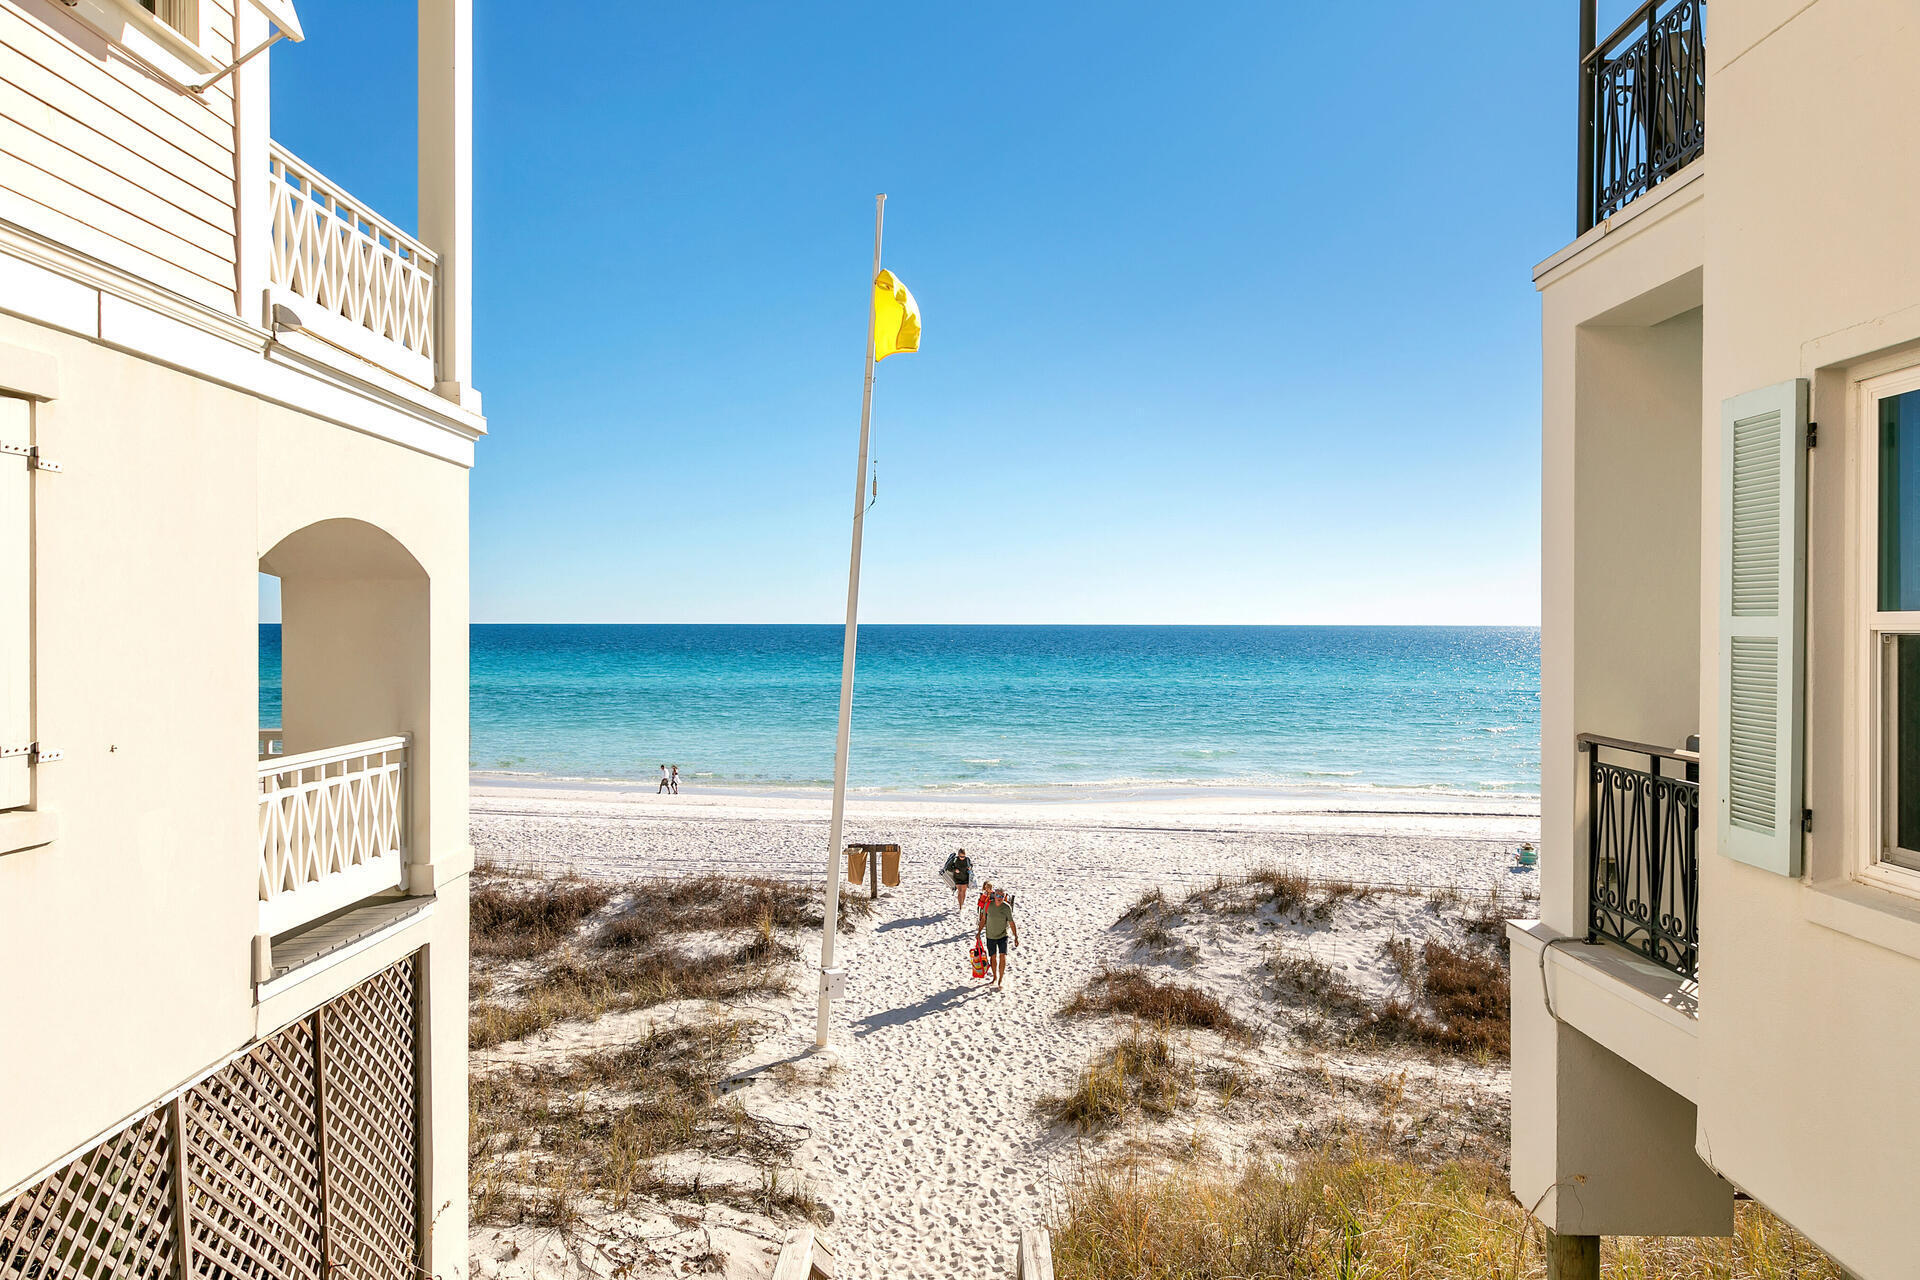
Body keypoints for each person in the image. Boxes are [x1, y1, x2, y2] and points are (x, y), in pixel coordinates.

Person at [975, 886, 1020, 990]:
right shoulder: (988, 905)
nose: (999, 897)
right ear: (994, 896)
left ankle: (1000, 979)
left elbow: (1011, 923)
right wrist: (978, 932)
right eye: (997, 895)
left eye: (1001, 896)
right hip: (990, 935)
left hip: (1003, 935)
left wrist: (1016, 937)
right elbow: (983, 920)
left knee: (1003, 956)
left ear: (1004, 897)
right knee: (993, 957)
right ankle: (995, 977)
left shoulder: (1006, 907)